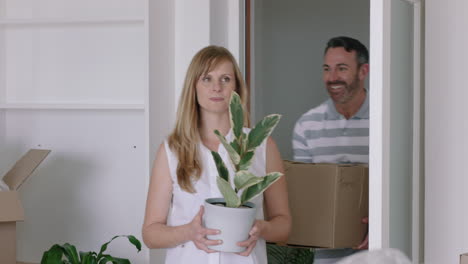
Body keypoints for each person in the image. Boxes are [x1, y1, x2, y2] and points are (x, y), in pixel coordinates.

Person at [142, 45, 291, 264]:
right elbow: (150, 234)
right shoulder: (172, 150)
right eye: (206, 79)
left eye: (225, 79)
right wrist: (189, 232)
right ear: (193, 86)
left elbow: (284, 226)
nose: (216, 88)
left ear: (236, 87)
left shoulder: (262, 146)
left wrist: (261, 228)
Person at [292, 36, 370, 263]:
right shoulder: (307, 126)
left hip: (379, 249)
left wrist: (380, 221)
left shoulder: (386, 122)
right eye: (327, 69)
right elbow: (306, 197)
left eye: (342, 68)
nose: (333, 77)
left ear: (363, 71)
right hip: (327, 256)